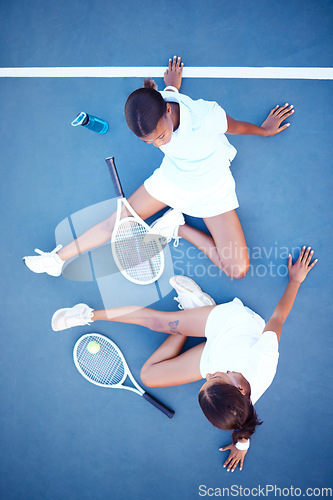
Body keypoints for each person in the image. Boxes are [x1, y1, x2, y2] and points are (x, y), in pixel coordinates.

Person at [23, 56, 294, 280]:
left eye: (160, 137)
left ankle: (176, 228)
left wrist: (264, 131)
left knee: (237, 269)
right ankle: (56, 259)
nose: (156, 144)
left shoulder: (207, 117)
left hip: (212, 192)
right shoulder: (156, 106)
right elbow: (166, 99)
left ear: (167, 110)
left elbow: (236, 126)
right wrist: (173, 88)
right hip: (171, 181)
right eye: (148, 141)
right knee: (115, 224)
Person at [50, 246, 317, 471]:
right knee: (157, 322)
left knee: (148, 376)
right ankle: (86, 314)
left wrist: (241, 445)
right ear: (239, 389)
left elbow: (242, 425)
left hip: (217, 352)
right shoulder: (264, 359)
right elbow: (279, 317)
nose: (209, 373)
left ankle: (193, 311)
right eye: (213, 378)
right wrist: (296, 280)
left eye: (206, 380)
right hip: (230, 325)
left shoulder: (234, 406)